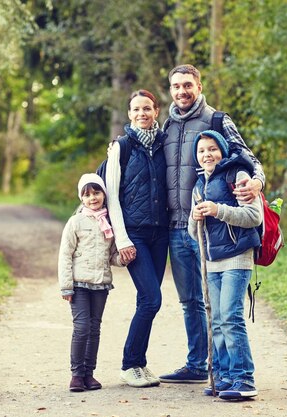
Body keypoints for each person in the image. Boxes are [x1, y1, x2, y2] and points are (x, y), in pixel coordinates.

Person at [159, 64, 266, 383]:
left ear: (199, 86)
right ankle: (199, 365)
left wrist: (258, 181)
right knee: (190, 301)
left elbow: (249, 158)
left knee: (220, 307)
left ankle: (232, 371)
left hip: (213, 228)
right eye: (176, 86)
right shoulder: (167, 126)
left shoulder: (218, 120)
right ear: (171, 90)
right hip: (179, 226)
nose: (182, 91)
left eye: (187, 85)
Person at [188, 130, 262, 399]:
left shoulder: (238, 175)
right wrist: (195, 216)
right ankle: (223, 377)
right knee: (217, 320)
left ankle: (244, 378)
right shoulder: (198, 185)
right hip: (212, 261)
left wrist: (218, 210)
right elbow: (192, 232)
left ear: (222, 150)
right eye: (201, 151)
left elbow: (253, 216)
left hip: (237, 256)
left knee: (231, 317)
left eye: (212, 149)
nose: (207, 155)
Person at [106, 89, 169, 388]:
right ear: (129, 114)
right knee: (152, 299)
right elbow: (112, 198)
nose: (141, 113)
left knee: (148, 300)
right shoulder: (121, 146)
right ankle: (130, 364)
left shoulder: (164, 144)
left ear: (156, 111)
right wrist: (123, 240)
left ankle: (139, 364)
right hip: (135, 234)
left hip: (161, 234)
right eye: (136, 109)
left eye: (147, 108)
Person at [58, 173, 124, 392]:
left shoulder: (111, 223)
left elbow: (112, 255)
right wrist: (66, 286)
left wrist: (122, 258)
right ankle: (76, 374)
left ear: (104, 194)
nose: (92, 198)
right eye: (87, 195)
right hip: (79, 284)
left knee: (94, 328)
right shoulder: (76, 222)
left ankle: (89, 374)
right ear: (81, 198)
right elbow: (65, 255)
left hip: (101, 284)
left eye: (96, 193)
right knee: (82, 327)